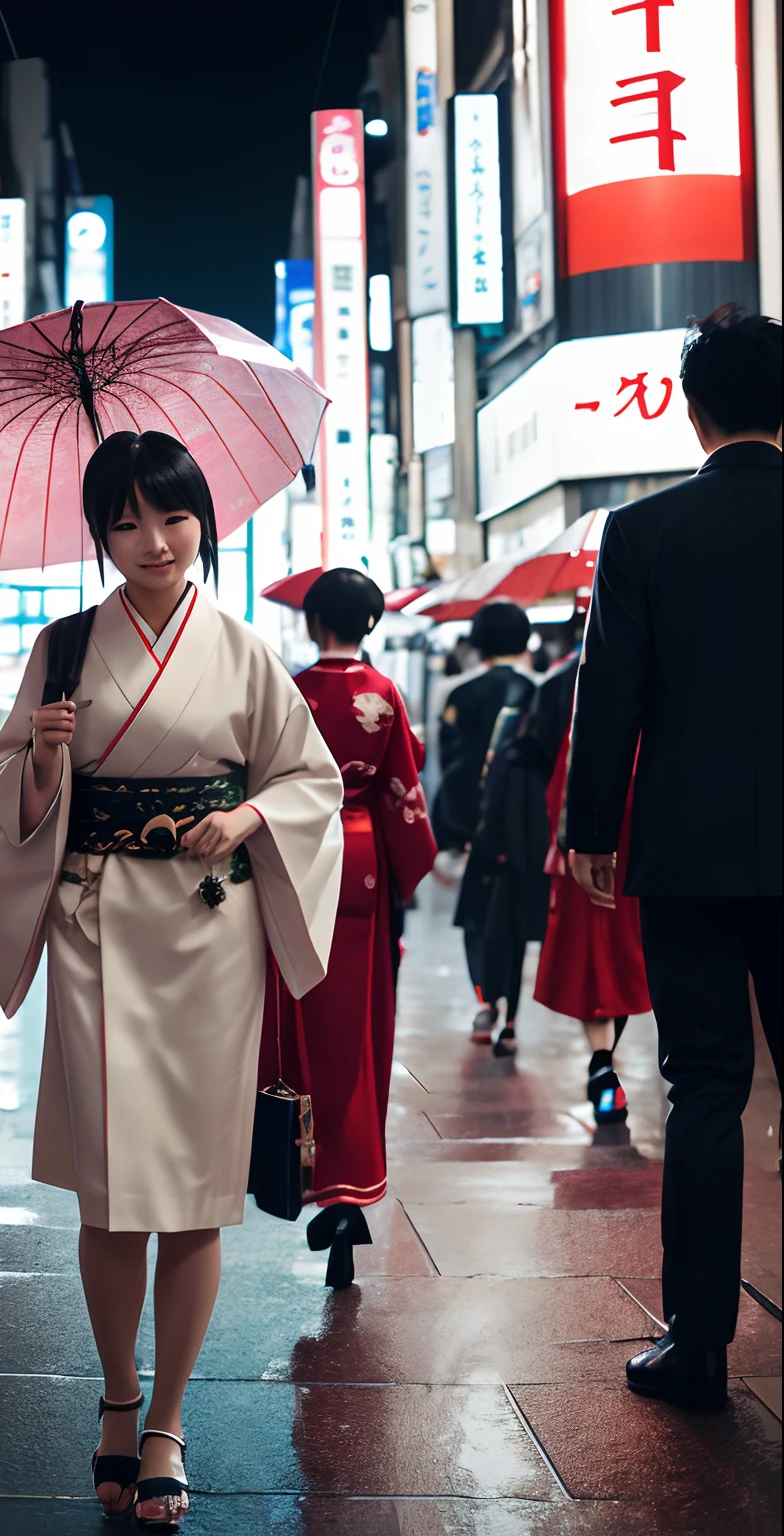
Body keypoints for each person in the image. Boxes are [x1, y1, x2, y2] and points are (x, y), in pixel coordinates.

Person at [0, 431, 343, 1526]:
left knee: (189, 1188)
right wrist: (41, 756)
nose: (152, 541)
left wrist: (241, 813)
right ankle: (116, 1397)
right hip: (95, 925)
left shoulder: (242, 649)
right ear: (98, 534)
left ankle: (168, 1418)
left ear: (203, 522)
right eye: (125, 520)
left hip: (206, 930)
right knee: (108, 1185)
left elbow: (305, 779)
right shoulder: (61, 647)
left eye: (172, 516)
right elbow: (2, 787)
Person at [566, 305, 782, 1412]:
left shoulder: (643, 533)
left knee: (702, 1086)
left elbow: (611, 697)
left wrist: (590, 833)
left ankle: (697, 1342)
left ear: (693, 414)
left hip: (687, 849)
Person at [260, 569, 437, 1287]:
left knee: (299, 1020)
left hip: (300, 861)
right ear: (371, 624)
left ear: (311, 623)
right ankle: (351, 1186)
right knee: (360, 1033)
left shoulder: (289, 691)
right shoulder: (384, 694)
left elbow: (265, 781)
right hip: (363, 860)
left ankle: (303, 1171)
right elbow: (405, 789)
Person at [528, 650, 649, 1125]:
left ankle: (602, 1060)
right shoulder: (657, 694)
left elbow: (551, 777)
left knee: (592, 957)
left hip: (584, 843)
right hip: (637, 850)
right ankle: (606, 1061)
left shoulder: (564, 692)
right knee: (624, 955)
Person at [434, 600, 539, 1051]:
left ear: (477, 642)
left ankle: (485, 1001)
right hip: (525, 828)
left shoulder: (458, 694)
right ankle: (511, 1018)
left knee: (475, 918)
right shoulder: (539, 692)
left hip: (474, 827)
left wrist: (454, 830)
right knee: (516, 920)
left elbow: (451, 768)